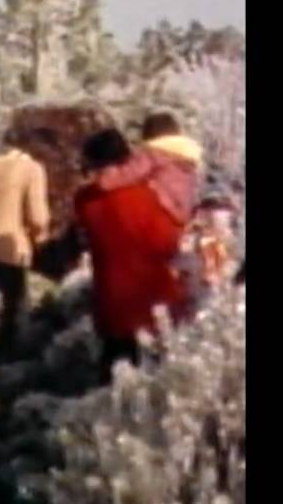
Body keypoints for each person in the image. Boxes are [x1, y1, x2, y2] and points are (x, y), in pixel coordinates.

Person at [75, 128, 189, 383]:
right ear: (127, 159)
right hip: (153, 306)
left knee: (112, 382)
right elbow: (169, 245)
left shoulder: (84, 200)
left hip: (109, 308)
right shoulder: (146, 196)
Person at [0, 126, 53, 360]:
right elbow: (39, 218)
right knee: (7, 326)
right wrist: (40, 238)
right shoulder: (32, 169)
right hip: (9, 254)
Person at [90, 112, 203, 229]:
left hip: (160, 213)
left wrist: (105, 179)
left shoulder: (154, 153)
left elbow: (130, 173)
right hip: (178, 219)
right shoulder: (187, 162)